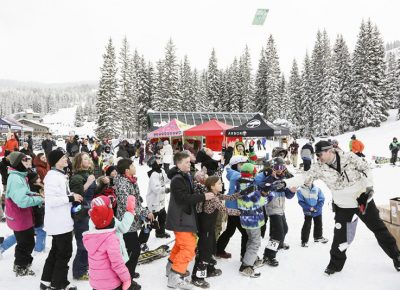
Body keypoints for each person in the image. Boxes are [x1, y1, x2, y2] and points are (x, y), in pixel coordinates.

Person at [304, 140, 400, 275]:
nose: (318, 157)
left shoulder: (349, 157)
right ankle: (335, 264)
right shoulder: (318, 167)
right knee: (340, 236)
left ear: (329, 151)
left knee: (379, 229)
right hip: (343, 206)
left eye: (319, 154)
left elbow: (366, 168)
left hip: (362, 202)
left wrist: (367, 190)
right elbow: (304, 177)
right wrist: (286, 183)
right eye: (316, 155)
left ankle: (397, 257)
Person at [165, 152, 214, 290]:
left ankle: (171, 269)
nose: (189, 164)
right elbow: (183, 198)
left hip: (183, 217)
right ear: (179, 164)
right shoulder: (177, 179)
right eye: (186, 162)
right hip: (181, 218)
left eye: (189, 162)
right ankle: (175, 278)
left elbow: (189, 193)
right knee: (188, 247)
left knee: (181, 245)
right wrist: (203, 196)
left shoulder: (184, 176)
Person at [40, 149, 82, 290]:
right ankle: (60, 283)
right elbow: (51, 201)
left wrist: (72, 195)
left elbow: (61, 195)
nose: (66, 159)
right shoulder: (52, 177)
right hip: (59, 222)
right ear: (56, 161)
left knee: (56, 251)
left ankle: (46, 281)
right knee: (64, 253)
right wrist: (71, 197)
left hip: (61, 220)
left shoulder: (59, 175)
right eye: (63, 158)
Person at [191, 176, 240, 288]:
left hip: (209, 229)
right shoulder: (212, 198)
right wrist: (241, 212)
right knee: (204, 252)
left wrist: (242, 193)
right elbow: (225, 210)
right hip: (205, 231)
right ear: (212, 186)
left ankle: (210, 269)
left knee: (212, 248)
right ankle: (197, 277)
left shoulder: (215, 194)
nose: (221, 184)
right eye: (219, 183)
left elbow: (230, 197)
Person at [115, 158, 153, 290]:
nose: (134, 167)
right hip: (126, 221)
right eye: (132, 165)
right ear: (127, 170)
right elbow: (129, 205)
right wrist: (145, 212)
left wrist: (142, 211)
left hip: (131, 220)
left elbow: (136, 201)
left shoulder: (130, 180)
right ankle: (127, 279)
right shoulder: (123, 183)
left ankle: (128, 273)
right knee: (134, 250)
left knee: (131, 249)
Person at [4, 152, 43, 276]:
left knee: (24, 242)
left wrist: (36, 195)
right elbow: (22, 201)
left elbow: (24, 192)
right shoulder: (16, 178)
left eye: (28, 159)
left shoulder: (19, 176)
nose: (28, 162)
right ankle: (21, 267)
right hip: (20, 217)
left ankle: (20, 264)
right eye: (25, 159)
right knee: (26, 243)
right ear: (18, 163)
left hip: (20, 217)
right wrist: (40, 199)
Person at [83, 196, 133, 290]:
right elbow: (117, 264)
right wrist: (130, 212)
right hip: (112, 279)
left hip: (97, 281)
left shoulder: (94, 225)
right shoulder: (109, 234)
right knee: (122, 272)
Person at [255, 161, 296, 267]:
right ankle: (269, 255)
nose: (279, 169)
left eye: (281, 167)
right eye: (277, 167)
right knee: (278, 233)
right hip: (272, 209)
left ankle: (279, 244)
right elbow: (264, 188)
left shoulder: (284, 179)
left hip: (281, 208)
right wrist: (273, 179)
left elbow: (288, 195)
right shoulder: (268, 178)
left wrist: (292, 191)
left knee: (284, 229)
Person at [69, 152, 97, 280]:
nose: (89, 160)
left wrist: (101, 183)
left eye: (89, 158)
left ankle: (84, 266)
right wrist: (89, 182)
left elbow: (93, 193)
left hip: (89, 211)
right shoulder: (76, 178)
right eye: (85, 158)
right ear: (79, 162)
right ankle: (79, 272)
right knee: (83, 243)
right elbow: (77, 196)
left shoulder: (87, 174)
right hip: (81, 212)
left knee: (89, 241)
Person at [236, 163, 266, 277]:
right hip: (253, 218)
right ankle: (246, 266)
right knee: (255, 242)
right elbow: (256, 201)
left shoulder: (241, 183)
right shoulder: (250, 187)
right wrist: (268, 196)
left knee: (251, 239)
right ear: (251, 173)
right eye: (255, 172)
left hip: (246, 218)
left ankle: (249, 257)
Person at [216, 155, 249, 259]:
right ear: (235, 165)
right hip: (235, 208)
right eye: (242, 164)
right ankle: (245, 256)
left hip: (232, 206)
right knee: (245, 233)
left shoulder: (233, 173)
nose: (244, 166)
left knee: (230, 230)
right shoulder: (237, 175)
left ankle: (218, 250)